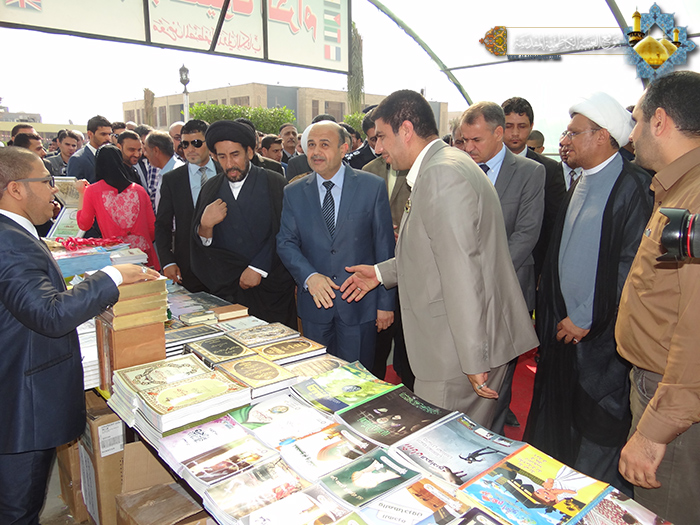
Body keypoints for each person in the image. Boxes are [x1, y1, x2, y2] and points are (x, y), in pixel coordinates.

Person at [340, 90, 538, 428]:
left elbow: (462, 271)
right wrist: (380, 273)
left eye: (382, 136)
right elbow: (433, 252)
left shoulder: (442, 174)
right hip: (458, 342)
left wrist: (473, 358)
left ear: (406, 130)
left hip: (456, 352)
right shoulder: (445, 165)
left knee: (444, 445)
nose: (378, 148)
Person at [0, 146, 160, 524]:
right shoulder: (10, 242)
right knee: (18, 509)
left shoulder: (15, 235)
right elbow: (50, 314)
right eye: (46, 181)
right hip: (21, 406)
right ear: (16, 189)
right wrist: (112, 276)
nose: (55, 189)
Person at [524, 92, 653, 494]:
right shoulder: (581, 179)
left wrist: (585, 316)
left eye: (574, 133)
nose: (566, 140)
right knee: (561, 421)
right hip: (564, 331)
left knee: (595, 429)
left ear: (602, 136)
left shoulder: (634, 187)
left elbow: (630, 266)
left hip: (599, 339)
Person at [616, 71, 700, 524]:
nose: (632, 136)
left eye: (636, 121)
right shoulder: (679, 187)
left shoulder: (696, 199)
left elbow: (697, 329)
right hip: (660, 389)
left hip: (673, 404)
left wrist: (654, 432)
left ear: (660, 121)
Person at [276, 121, 395, 367]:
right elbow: (286, 242)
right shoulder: (294, 192)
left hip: (360, 304)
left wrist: (385, 304)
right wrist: (309, 277)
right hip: (315, 306)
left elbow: (384, 247)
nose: (316, 152)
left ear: (343, 149)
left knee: (358, 379)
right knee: (317, 376)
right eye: (311, 145)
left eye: (324, 144)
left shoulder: (371, 187)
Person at [461, 101, 545, 433]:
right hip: (463, 289)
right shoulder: (459, 168)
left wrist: (483, 276)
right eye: (464, 140)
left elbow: (526, 234)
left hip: (506, 289)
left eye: (476, 140)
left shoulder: (530, 172)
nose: (469, 148)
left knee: (499, 381)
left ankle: (491, 442)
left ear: (498, 133)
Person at [191, 120, 296, 327]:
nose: (229, 163)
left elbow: (287, 232)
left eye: (235, 154)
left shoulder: (275, 183)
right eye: (222, 156)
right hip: (229, 289)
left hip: (271, 289)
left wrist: (258, 268)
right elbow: (202, 247)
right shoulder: (211, 188)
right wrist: (205, 226)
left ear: (249, 152)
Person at [75, 145, 159, 270]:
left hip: (116, 256)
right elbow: (152, 228)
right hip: (144, 254)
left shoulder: (92, 191)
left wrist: (81, 193)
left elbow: (84, 224)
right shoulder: (139, 190)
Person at [155, 119, 216, 292]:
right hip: (188, 267)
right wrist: (167, 261)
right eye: (185, 144)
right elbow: (163, 225)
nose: (190, 149)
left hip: (224, 266)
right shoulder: (172, 179)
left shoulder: (226, 173)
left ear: (209, 142)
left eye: (196, 143)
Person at [67, 115, 112, 183]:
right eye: (103, 134)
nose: (108, 138)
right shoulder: (78, 159)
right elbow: (74, 188)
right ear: (90, 134)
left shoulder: (112, 156)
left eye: (109, 134)